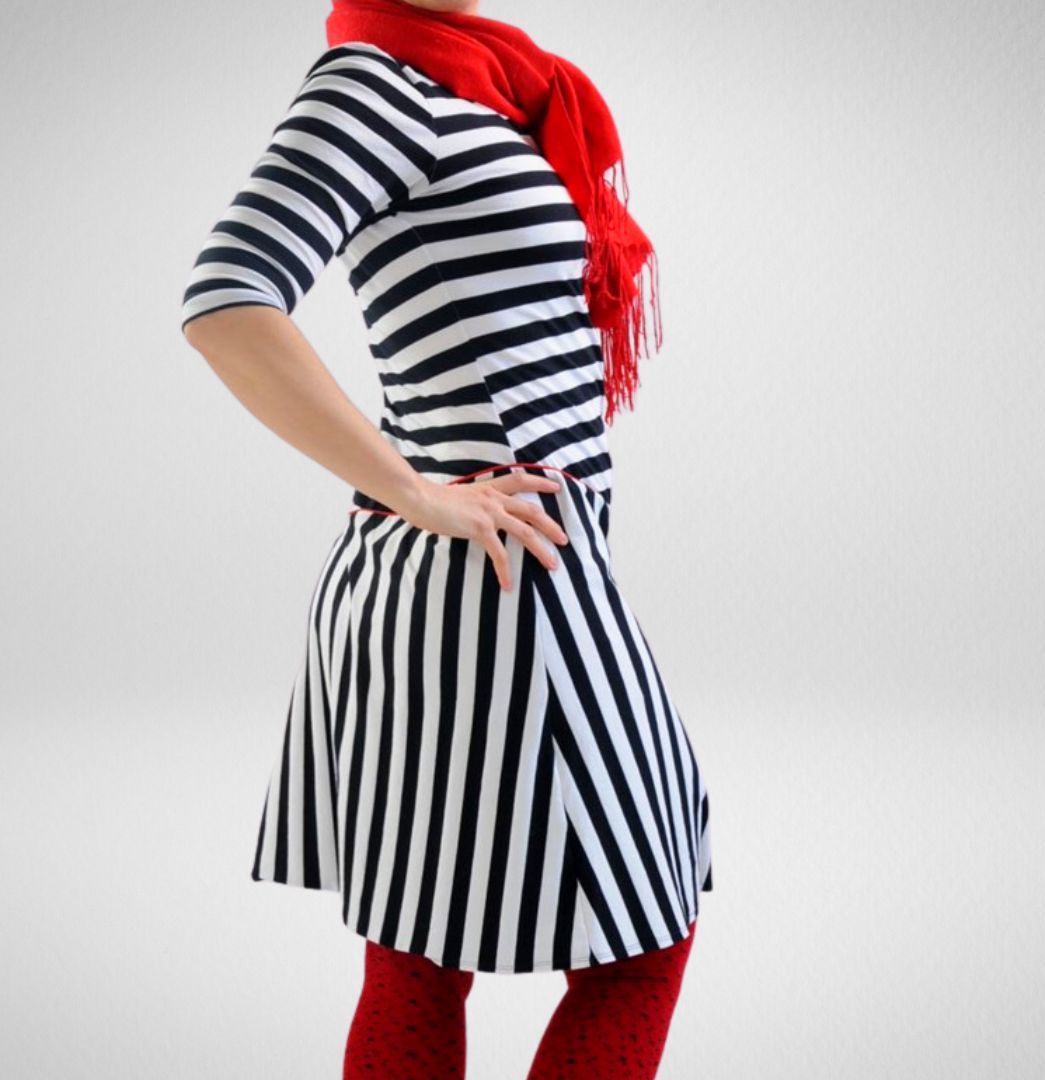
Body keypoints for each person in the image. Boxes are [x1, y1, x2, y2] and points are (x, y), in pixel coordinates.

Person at [180, 0, 713, 1075]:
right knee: (640, 941)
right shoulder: (375, 83)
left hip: (475, 573)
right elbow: (227, 299)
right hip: (502, 580)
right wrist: (419, 490)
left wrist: (418, 495)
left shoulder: (497, 87)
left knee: (418, 953)